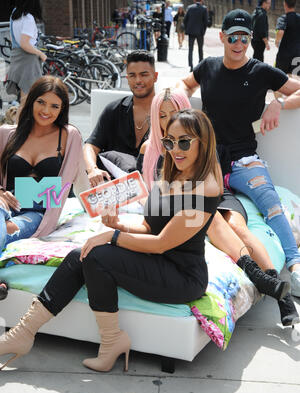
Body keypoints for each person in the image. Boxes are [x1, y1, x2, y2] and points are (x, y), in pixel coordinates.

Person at [0, 109, 223, 372]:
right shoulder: (171, 174)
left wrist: (113, 235)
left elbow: (161, 242)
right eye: (169, 141)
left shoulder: (204, 187)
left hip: (181, 276)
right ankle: (22, 333)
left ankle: (111, 340)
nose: (175, 149)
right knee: (80, 253)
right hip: (156, 261)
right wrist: (116, 223)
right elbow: (147, 226)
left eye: (184, 141)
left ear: (203, 142)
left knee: (97, 254)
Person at [140, 88, 296, 326]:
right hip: (181, 206)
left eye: (176, 111)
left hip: (215, 197)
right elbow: (155, 197)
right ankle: (260, 278)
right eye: (162, 115)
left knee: (235, 225)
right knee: (204, 216)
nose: (168, 119)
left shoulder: (201, 144)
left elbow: (212, 185)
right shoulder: (150, 149)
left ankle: (277, 291)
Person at [176, 8, 300, 299]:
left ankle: (294, 267)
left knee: (271, 205)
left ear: (251, 39)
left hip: (244, 159)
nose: (239, 43)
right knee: (181, 203)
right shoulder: (208, 66)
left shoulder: (261, 71)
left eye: (245, 37)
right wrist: (183, 107)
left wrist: (277, 102)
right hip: (207, 159)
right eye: (233, 36)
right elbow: (183, 83)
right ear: (222, 37)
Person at [0, 75, 89, 300]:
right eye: (41, 102)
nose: (46, 110)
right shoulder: (6, 134)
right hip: (3, 204)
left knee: (9, 229)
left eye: (54, 106)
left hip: (35, 213)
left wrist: (98, 208)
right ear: (31, 101)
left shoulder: (69, 136)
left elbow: (78, 178)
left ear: (62, 109)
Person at [83, 50, 157, 187]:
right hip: (113, 187)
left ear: (155, 76)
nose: (138, 80)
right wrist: (92, 170)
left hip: (153, 185)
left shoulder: (166, 111)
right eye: (132, 75)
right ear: (127, 79)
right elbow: (90, 146)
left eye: (144, 75)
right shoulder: (114, 109)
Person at [6, 0, 47, 103]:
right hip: (28, 60)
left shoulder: (14, 14)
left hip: (16, 57)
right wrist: (41, 54)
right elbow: (24, 44)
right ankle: (24, 119)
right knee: (28, 100)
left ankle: (21, 119)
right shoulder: (28, 18)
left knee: (24, 100)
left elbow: (14, 40)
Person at [275, 0, 300, 75]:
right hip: (297, 55)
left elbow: (280, 31)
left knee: (281, 78)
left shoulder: (283, 18)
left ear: (284, 4)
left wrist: (277, 41)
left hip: (284, 56)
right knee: (296, 79)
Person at [184, 0, 208, 71]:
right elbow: (206, 21)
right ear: (202, 1)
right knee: (200, 49)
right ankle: (200, 65)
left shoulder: (190, 8)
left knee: (190, 49)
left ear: (194, 0)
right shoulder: (204, 9)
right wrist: (203, 31)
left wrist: (187, 29)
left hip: (191, 31)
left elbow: (185, 20)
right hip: (200, 32)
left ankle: (190, 66)